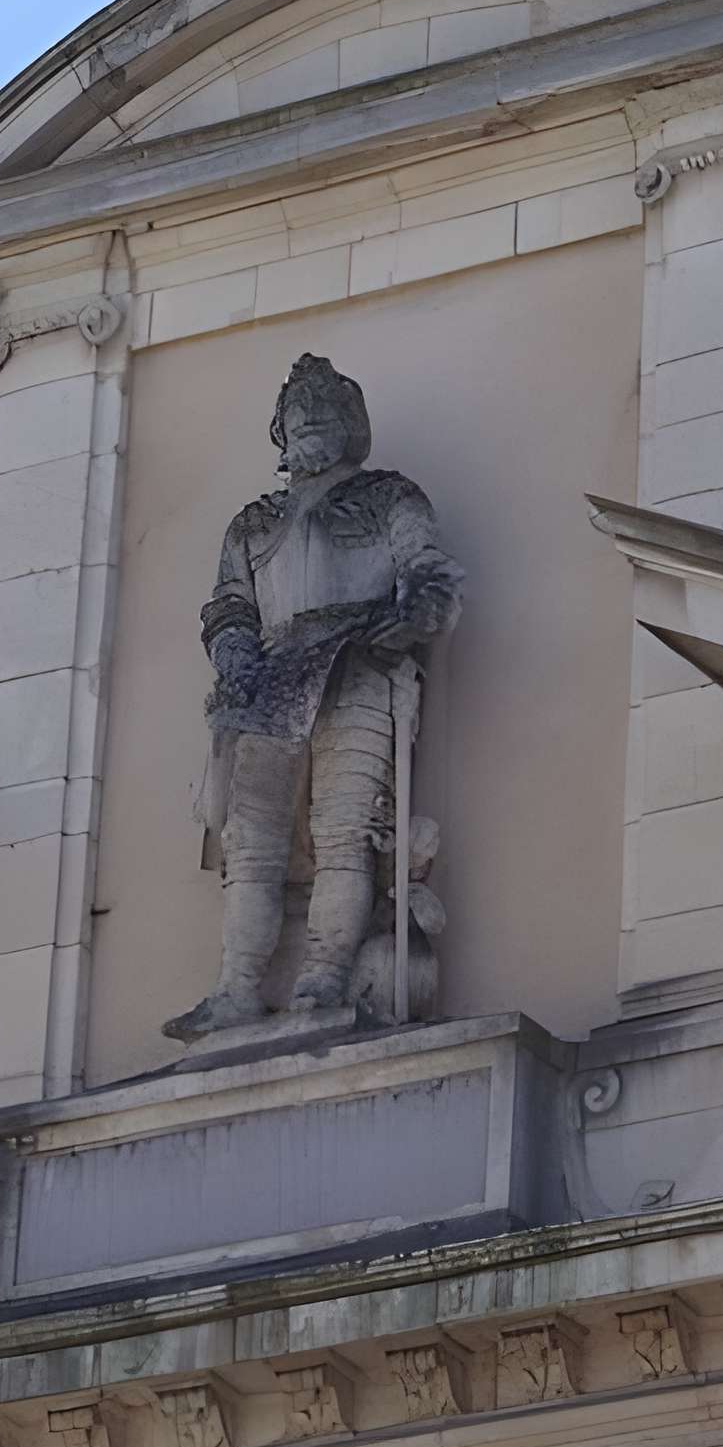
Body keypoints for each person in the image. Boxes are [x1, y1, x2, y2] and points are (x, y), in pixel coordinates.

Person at [163, 354, 462, 1042]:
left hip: (359, 667)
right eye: (296, 409)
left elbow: (429, 573)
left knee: (345, 836)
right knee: (251, 845)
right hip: (270, 681)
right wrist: (235, 656)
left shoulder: (390, 496)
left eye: (323, 407)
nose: (308, 418)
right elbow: (230, 607)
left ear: (351, 423)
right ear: (280, 429)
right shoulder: (252, 523)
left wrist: (407, 623)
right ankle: (236, 988)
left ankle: (324, 979)